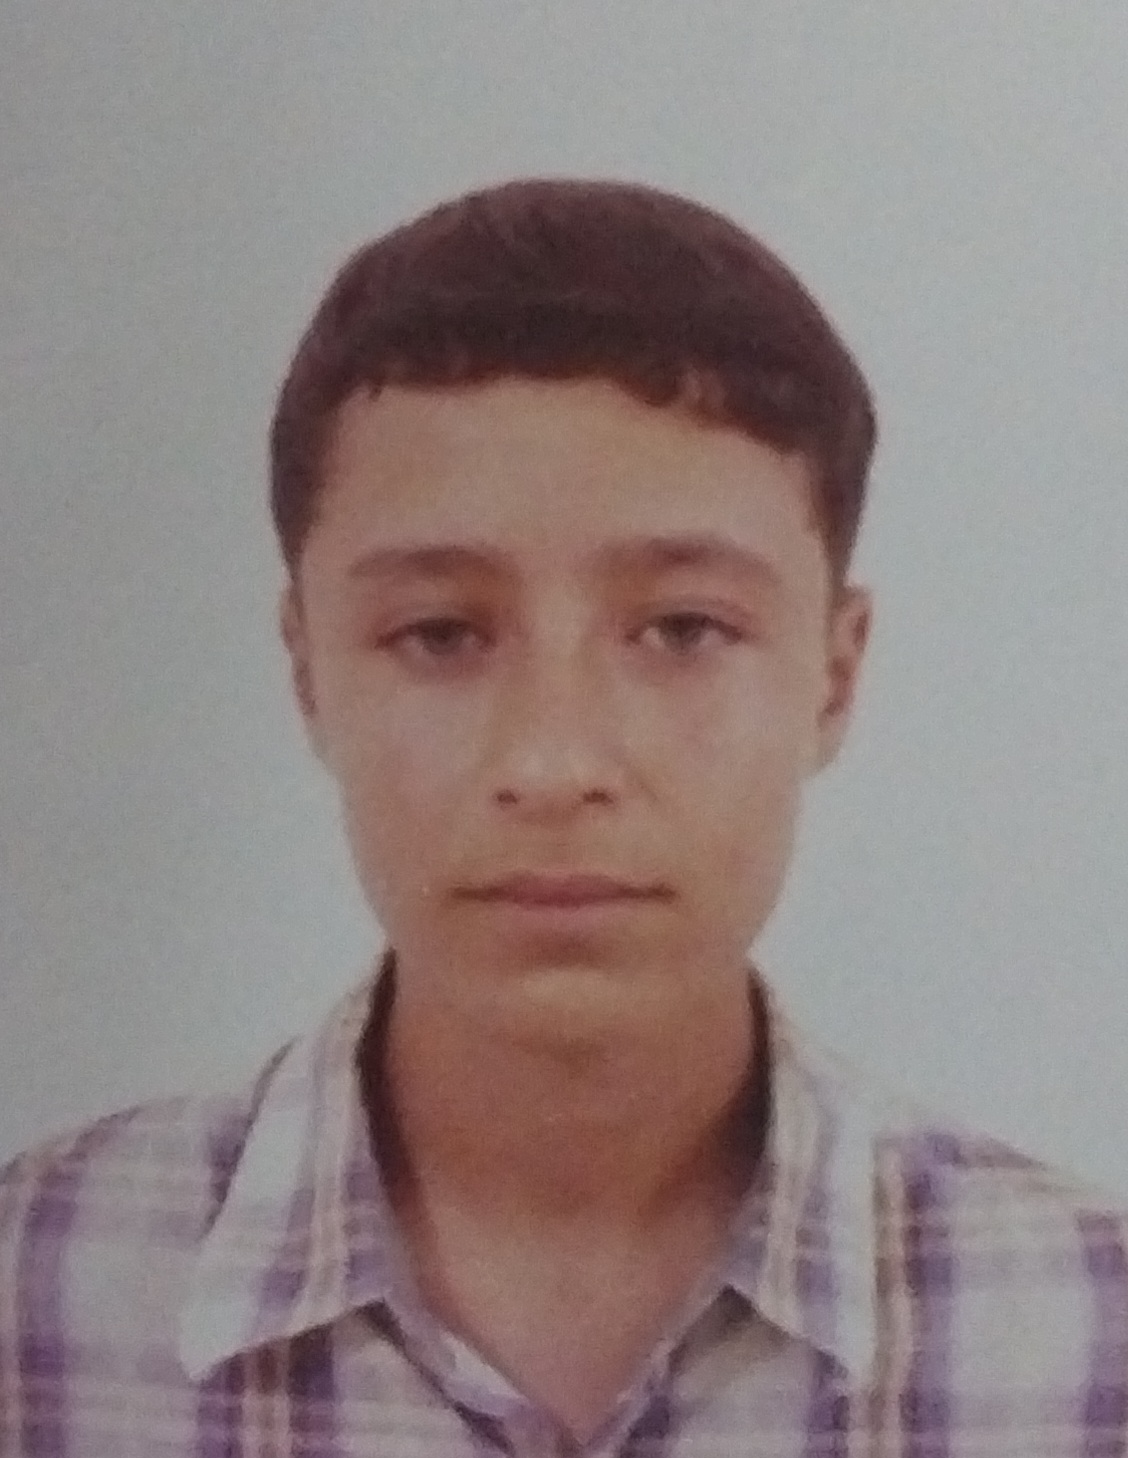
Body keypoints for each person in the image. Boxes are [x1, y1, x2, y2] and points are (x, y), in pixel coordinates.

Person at [1, 177, 1125, 1458]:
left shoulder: (1084, 1338)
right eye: (441, 634)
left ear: (834, 674)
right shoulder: (39, 1298)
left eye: (684, 629)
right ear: (307, 670)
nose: (553, 761)